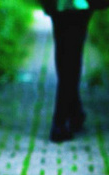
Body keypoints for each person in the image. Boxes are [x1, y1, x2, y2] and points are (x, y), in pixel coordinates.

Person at [40, 0, 94, 142]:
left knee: (65, 58)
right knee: (71, 60)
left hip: (61, 6)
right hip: (77, 6)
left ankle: (75, 114)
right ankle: (60, 122)